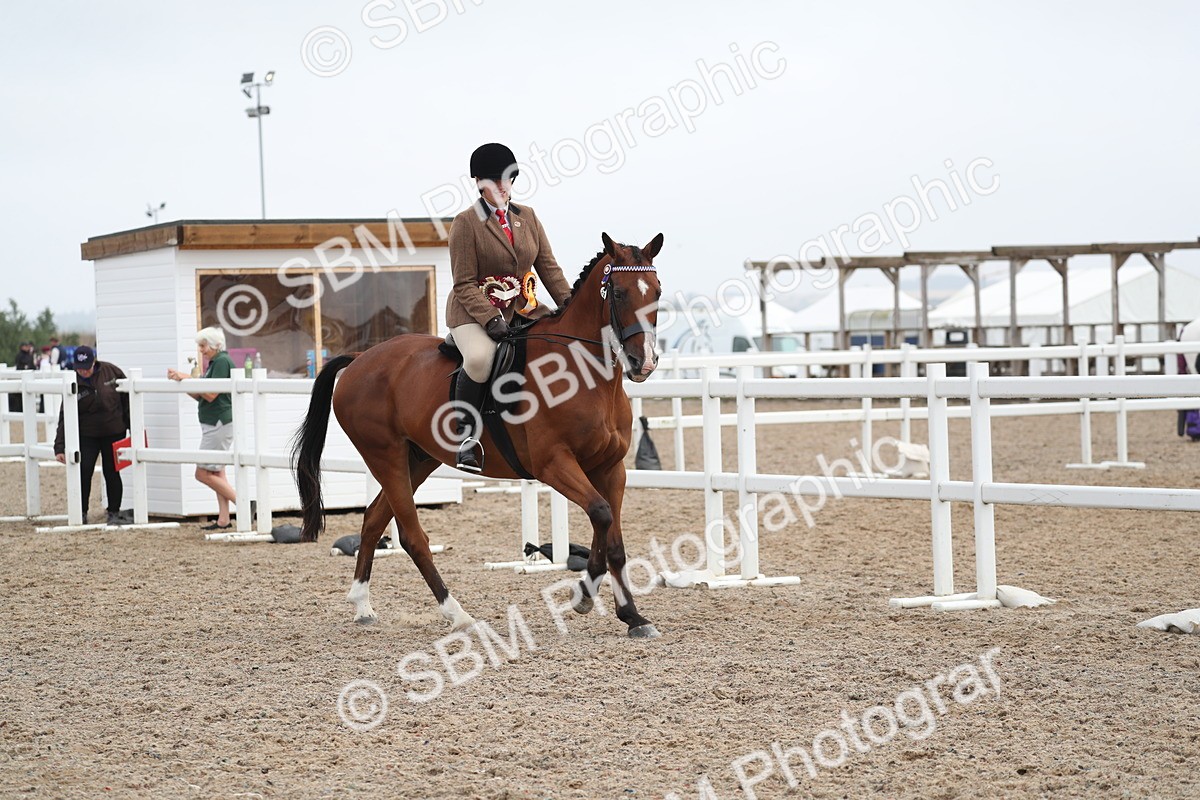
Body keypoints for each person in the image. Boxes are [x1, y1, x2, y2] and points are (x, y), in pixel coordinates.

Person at [446, 142, 573, 471]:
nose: (503, 186)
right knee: (478, 358)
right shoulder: (466, 223)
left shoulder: (527, 217)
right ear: (478, 182)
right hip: (472, 312)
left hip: (522, 308)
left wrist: (571, 306)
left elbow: (549, 269)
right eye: (495, 180)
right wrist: (489, 320)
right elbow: (463, 282)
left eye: (508, 178)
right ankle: (466, 438)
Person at [168, 327, 238, 529]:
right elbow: (201, 394)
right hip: (215, 422)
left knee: (203, 473)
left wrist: (187, 378)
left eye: (203, 345)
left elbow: (210, 394)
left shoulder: (222, 362)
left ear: (215, 345)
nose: (201, 350)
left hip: (219, 422)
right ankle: (223, 519)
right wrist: (183, 380)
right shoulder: (216, 363)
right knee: (217, 473)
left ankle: (243, 504)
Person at [52, 346, 130, 525]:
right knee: (84, 471)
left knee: (112, 472)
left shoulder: (112, 371)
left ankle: (114, 512)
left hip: (113, 431)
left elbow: (127, 400)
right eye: (79, 368)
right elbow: (65, 414)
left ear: (94, 362)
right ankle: (81, 512)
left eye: (86, 367)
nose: (83, 371)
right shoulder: (72, 380)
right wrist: (60, 445)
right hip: (87, 434)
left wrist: (130, 427)